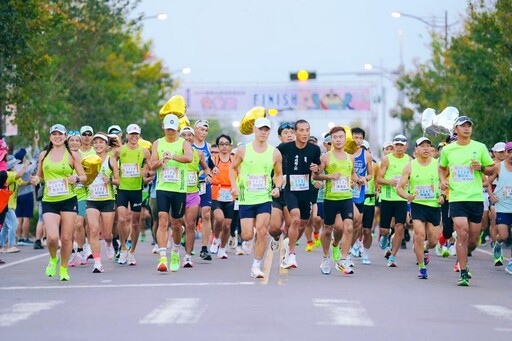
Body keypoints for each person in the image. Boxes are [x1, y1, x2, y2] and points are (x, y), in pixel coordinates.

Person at [439, 116, 495, 286]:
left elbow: (493, 168)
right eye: (462, 126)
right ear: (455, 129)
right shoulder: (448, 150)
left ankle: (465, 257)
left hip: (476, 198)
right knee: (462, 233)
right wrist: (442, 180)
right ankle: (463, 272)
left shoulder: (480, 147)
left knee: (472, 240)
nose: (466, 128)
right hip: (456, 198)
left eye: (469, 126)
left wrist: (482, 168)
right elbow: (441, 167)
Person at [30, 124, 87, 281]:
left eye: (60, 134)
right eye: (54, 134)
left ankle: (63, 268)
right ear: (50, 137)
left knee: (67, 238)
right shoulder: (44, 155)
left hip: (68, 200)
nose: (57, 137)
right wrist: (36, 179)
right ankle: (53, 258)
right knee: (53, 237)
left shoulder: (72, 155)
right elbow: (40, 175)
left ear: (65, 136)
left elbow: (83, 177)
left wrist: (75, 178)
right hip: (49, 200)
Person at [230, 117, 283, 278]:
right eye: (261, 129)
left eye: (266, 129)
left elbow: (279, 174)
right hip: (246, 197)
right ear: (254, 130)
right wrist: (234, 186)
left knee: (262, 231)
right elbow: (232, 169)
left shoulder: (274, 152)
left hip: (264, 197)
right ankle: (249, 237)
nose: (263, 132)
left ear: (269, 132)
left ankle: (256, 265)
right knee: (247, 235)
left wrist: (277, 187)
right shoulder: (243, 150)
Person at [150, 114, 193, 272]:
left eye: (173, 129)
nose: (170, 131)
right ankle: (162, 258)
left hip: (179, 189)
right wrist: (161, 161)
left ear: (177, 129)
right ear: (163, 127)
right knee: (162, 220)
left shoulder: (183, 143)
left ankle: (175, 251)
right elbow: (152, 165)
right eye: (168, 128)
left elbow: (189, 158)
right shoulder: (158, 143)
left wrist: (172, 156)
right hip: (162, 188)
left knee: (176, 224)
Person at [313, 126, 359, 275]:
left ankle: (343, 260)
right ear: (331, 140)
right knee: (328, 229)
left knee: (349, 227)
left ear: (345, 139)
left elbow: (352, 175)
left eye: (341, 137)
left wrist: (359, 180)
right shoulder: (325, 157)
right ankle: (326, 258)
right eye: (335, 137)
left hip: (346, 197)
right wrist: (329, 177)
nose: (338, 139)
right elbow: (316, 176)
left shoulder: (350, 157)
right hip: (330, 199)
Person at [397, 137, 444, 279]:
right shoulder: (410, 166)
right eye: (422, 146)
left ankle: (424, 248)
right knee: (419, 234)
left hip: (434, 205)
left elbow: (445, 182)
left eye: (428, 146)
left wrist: (442, 195)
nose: (425, 148)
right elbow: (399, 187)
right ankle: (422, 267)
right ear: (416, 150)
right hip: (417, 205)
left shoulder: (438, 164)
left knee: (433, 240)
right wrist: (407, 196)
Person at [277, 119, 321, 269]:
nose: (304, 133)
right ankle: (292, 254)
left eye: (307, 130)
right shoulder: (285, 147)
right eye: (301, 130)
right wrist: (277, 175)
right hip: (290, 189)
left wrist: (317, 170)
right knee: (295, 218)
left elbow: (318, 170)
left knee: (303, 223)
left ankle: (289, 243)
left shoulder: (314, 150)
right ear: (295, 133)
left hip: (306, 190)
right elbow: (272, 158)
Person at [114, 124, 151, 266]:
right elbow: (112, 163)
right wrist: (115, 175)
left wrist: (146, 171)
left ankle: (132, 252)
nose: (134, 137)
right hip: (123, 189)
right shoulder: (120, 151)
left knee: (135, 223)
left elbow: (150, 168)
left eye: (136, 134)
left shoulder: (144, 152)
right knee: (122, 220)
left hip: (136, 190)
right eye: (131, 134)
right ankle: (123, 248)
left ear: (139, 135)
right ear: (127, 136)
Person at [86, 133, 120, 273]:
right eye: (96, 142)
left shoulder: (111, 160)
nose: (98, 145)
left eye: (101, 142)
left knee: (107, 234)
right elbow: (83, 178)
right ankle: (97, 263)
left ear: (106, 146)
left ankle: (109, 243)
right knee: (94, 231)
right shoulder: (87, 160)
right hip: (92, 199)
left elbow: (118, 181)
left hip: (107, 200)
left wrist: (110, 181)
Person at [376, 134, 411, 267]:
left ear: (406, 147)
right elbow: (378, 178)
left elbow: (412, 178)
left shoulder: (409, 160)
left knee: (400, 227)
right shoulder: (387, 160)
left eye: (402, 145)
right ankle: (385, 236)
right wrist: (389, 182)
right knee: (385, 230)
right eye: (397, 145)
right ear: (394, 146)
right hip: (387, 198)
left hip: (401, 199)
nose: (399, 147)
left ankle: (393, 256)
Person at [179, 126, 210, 267]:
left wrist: (205, 175)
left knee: (191, 224)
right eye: (184, 135)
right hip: (176, 193)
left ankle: (187, 256)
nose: (187, 137)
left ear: (193, 137)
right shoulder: (175, 152)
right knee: (177, 223)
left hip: (192, 192)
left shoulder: (198, 153)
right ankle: (176, 246)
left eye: (189, 135)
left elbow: (206, 167)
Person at [268, 122, 295, 253]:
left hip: (293, 194)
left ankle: (289, 253)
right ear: (280, 137)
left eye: (291, 133)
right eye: (286, 133)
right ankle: (276, 237)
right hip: (277, 194)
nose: (289, 136)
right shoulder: (274, 152)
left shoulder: (300, 152)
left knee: (292, 226)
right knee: (274, 228)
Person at [487, 141, 512, 273]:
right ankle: (497, 243)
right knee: (503, 235)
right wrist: (491, 195)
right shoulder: (498, 167)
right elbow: (488, 182)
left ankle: (511, 263)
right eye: (509, 152)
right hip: (502, 205)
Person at [349, 128, 373, 262]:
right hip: (344, 192)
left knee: (357, 224)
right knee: (346, 223)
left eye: (360, 138)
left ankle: (349, 248)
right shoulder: (345, 153)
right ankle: (343, 248)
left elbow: (370, 174)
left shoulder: (366, 155)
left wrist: (365, 179)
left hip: (359, 193)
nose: (357, 140)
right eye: (355, 137)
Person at [193, 119, 215, 261]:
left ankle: (204, 248)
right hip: (189, 184)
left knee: (206, 215)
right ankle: (183, 235)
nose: (204, 133)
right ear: (195, 129)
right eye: (201, 129)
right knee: (188, 217)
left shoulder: (207, 146)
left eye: (206, 130)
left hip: (204, 184)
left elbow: (210, 164)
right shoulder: (188, 145)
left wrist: (212, 173)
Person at [210, 134, 235, 259]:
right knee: (219, 219)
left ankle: (223, 248)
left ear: (230, 146)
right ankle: (216, 238)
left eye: (226, 144)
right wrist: (209, 176)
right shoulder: (213, 160)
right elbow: (205, 171)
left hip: (230, 194)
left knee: (227, 225)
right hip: (217, 193)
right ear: (218, 146)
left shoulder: (234, 160)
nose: (224, 146)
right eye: (221, 144)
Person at [14, 133, 40, 246]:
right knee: (26, 217)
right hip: (27, 193)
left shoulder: (14, 168)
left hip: (17, 195)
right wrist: (36, 143)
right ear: (23, 157)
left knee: (18, 217)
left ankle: (18, 238)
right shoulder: (27, 167)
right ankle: (24, 238)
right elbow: (36, 158)